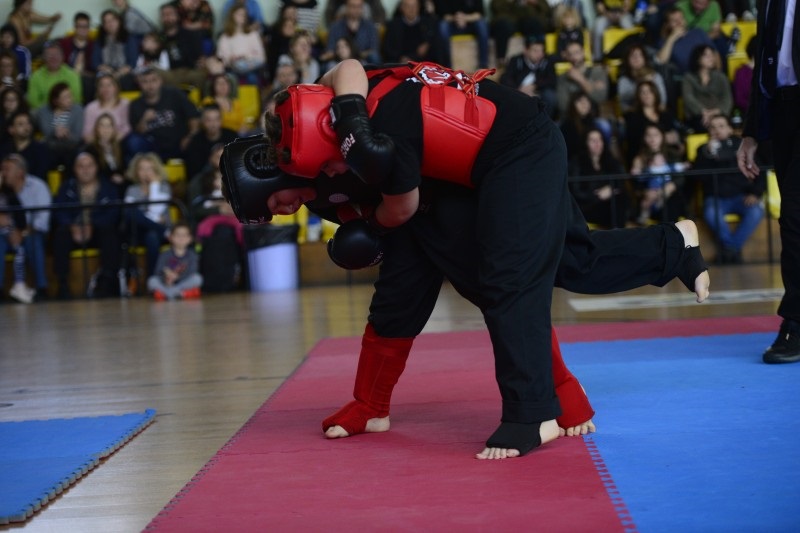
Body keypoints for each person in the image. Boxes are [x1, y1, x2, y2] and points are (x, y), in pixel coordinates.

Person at [258, 59, 711, 458]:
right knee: (572, 261)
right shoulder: (332, 104)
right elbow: (347, 67)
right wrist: (352, 113)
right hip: (468, 173)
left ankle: (533, 413)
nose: (333, 173)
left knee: (509, 279)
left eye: (331, 165)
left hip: (518, 149)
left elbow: (401, 208)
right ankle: (673, 245)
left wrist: (368, 228)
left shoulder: (379, 139)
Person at [736, 0, 800, 364]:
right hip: (784, 111)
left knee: (794, 216)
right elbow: (765, 63)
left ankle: (795, 320)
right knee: (792, 220)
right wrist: (751, 134)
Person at [694, 114, 764, 264]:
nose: (717, 130)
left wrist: (755, 193)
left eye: (721, 126)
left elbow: (760, 170)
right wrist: (707, 153)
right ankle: (733, 251)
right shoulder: (702, 150)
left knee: (756, 210)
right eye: (713, 127)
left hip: (741, 196)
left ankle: (728, 250)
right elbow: (697, 177)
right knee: (711, 212)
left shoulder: (741, 145)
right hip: (715, 198)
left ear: (730, 128)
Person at [51, 152, 122, 299]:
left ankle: (107, 282)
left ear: (96, 167)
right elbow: (58, 211)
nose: (86, 170)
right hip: (74, 230)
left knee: (110, 234)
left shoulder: (108, 186)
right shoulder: (67, 187)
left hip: (98, 230)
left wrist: (92, 225)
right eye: (81, 166)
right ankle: (63, 284)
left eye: (90, 165)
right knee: (60, 234)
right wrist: (72, 226)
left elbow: (113, 213)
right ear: (75, 169)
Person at [0, 153, 50, 299]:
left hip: (30, 232)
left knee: (34, 241)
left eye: (7, 169)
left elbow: (42, 221)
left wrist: (22, 233)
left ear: (20, 172)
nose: (3, 173)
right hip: (4, 234)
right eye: (2, 169)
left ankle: (42, 288)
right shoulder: (2, 188)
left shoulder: (38, 186)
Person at [126, 66, 200, 160]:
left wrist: (190, 136)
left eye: (154, 80)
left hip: (180, 142)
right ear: (139, 84)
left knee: (197, 142)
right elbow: (138, 133)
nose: (150, 85)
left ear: (160, 81)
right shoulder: (136, 104)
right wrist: (144, 120)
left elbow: (193, 115)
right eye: (145, 82)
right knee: (133, 142)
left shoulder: (174, 94)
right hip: (153, 148)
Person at [568, 127, 631, 228]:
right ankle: (616, 234)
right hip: (587, 207)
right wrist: (598, 196)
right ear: (585, 143)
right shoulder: (577, 162)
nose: (597, 143)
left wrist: (610, 189)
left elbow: (620, 181)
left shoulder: (609, 160)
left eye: (599, 139)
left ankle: (617, 233)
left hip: (609, 204)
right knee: (614, 206)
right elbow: (576, 191)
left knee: (619, 200)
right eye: (592, 140)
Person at [124, 151, 172, 276]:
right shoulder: (131, 190)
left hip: (156, 234)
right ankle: (164, 231)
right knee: (132, 212)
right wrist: (155, 220)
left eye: (149, 169)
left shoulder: (163, 187)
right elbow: (131, 215)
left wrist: (155, 185)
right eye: (142, 169)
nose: (146, 173)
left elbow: (155, 209)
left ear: (156, 170)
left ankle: (153, 277)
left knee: (152, 236)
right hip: (137, 232)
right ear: (136, 171)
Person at [630, 124, 688, 224]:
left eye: (656, 135)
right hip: (650, 200)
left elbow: (680, 177)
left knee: (673, 202)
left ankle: (669, 237)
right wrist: (645, 192)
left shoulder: (672, 153)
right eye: (649, 135)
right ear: (644, 138)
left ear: (662, 137)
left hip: (670, 196)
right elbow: (636, 185)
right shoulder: (639, 158)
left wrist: (670, 187)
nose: (652, 139)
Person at [622, 79, 682, 168]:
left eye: (650, 91)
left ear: (655, 94)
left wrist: (676, 139)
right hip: (644, 156)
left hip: (666, 154)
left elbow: (674, 134)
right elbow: (633, 140)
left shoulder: (665, 114)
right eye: (643, 92)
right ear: (638, 96)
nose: (647, 95)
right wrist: (663, 138)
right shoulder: (632, 116)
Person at [499, 33, 557, 116]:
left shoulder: (547, 61)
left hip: (539, 93)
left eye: (542, 50)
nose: (540, 54)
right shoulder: (516, 60)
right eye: (535, 50)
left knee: (550, 95)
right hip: (518, 93)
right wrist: (518, 89)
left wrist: (535, 86)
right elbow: (505, 78)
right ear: (526, 51)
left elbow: (552, 80)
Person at [0, 168, 35, 303]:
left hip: (8, 231)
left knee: (20, 249)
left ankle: (19, 284)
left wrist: (18, 230)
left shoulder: (8, 192)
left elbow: (19, 215)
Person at [33, 82, 85, 170]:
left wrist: (66, 134)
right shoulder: (44, 111)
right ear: (56, 100)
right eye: (66, 97)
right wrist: (55, 132)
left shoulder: (78, 110)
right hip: (49, 149)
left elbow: (77, 137)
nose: (70, 99)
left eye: (70, 95)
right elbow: (46, 131)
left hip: (71, 148)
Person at [681, 43, 732, 132]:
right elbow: (688, 98)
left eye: (712, 55)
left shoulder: (721, 77)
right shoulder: (688, 78)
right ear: (697, 58)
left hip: (719, 113)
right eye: (706, 55)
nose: (711, 58)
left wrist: (714, 112)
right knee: (703, 125)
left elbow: (727, 98)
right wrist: (703, 112)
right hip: (697, 116)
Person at [147, 221, 203, 300]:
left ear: (190, 239)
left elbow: (192, 271)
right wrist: (167, 276)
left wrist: (177, 277)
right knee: (152, 281)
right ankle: (178, 294)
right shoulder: (164, 254)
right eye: (178, 235)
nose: (181, 238)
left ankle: (168, 294)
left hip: (182, 282)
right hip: (167, 283)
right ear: (171, 237)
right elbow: (158, 271)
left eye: (184, 235)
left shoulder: (192, 255)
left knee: (197, 278)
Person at [181, 104, 237, 180]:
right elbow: (193, 174)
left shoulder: (232, 136)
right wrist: (211, 162)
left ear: (221, 120)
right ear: (202, 121)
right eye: (209, 120)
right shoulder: (195, 142)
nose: (213, 124)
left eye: (217, 119)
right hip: (206, 182)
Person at [555, 40, 610, 118]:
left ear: (583, 52)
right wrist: (592, 86)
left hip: (594, 117)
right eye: (570, 54)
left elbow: (600, 98)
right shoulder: (562, 77)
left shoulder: (598, 72)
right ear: (566, 57)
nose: (574, 57)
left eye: (576, 52)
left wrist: (580, 79)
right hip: (571, 118)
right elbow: (563, 105)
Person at [215, 4, 266, 86]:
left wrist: (246, 57)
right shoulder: (225, 37)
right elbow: (221, 57)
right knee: (229, 78)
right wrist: (231, 59)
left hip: (250, 67)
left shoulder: (253, 34)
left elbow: (261, 58)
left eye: (244, 15)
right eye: (239, 14)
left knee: (251, 78)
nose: (242, 17)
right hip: (232, 68)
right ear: (232, 16)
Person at [489, 0, 552, 66]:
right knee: (502, 25)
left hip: (529, 18)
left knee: (535, 24)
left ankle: (541, 59)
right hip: (509, 19)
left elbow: (547, 9)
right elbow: (495, 7)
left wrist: (535, 2)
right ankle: (501, 62)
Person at [321, 0, 382, 65]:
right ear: (346, 7)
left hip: (363, 60)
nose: (356, 10)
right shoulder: (335, 27)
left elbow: (374, 49)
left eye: (359, 6)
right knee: (329, 64)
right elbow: (330, 49)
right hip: (340, 61)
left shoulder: (370, 26)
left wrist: (356, 55)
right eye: (353, 6)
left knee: (374, 57)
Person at [25, 41, 82, 110]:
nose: (53, 58)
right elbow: (33, 102)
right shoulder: (35, 77)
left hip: (68, 113)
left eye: (56, 54)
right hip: (43, 115)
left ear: (62, 57)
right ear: (44, 58)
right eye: (49, 55)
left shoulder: (72, 75)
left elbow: (76, 99)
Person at [92, 9, 139, 92]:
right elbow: (95, 62)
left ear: (119, 21)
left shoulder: (129, 38)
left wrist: (118, 74)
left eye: (112, 20)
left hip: (124, 72)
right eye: (106, 22)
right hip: (105, 71)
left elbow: (132, 62)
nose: (109, 24)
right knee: (99, 82)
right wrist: (107, 71)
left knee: (126, 81)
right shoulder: (99, 40)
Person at [382, 0, 441, 65]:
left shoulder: (428, 23)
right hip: (399, 63)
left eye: (414, 6)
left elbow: (434, 47)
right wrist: (400, 58)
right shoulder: (393, 25)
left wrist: (427, 44)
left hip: (423, 64)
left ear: (419, 7)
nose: (411, 9)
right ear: (402, 8)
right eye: (408, 6)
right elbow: (388, 48)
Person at [434, 0, 490, 69]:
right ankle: (447, 66)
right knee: (442, 26)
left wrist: (465, 18)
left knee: (482, 25)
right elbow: (442, 15)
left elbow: (479, 14)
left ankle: (483, 64)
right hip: (452, 24)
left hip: (470, 23)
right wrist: (456, 18)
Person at [0, 110, 50, 185]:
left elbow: (40, 176)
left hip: (32, 188)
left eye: (28, 123)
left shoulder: (41, 149)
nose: (26, 127)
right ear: (11, 130)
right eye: (21, 124)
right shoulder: (4, 149)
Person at [85, 113, 128, 197]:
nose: (106, 129)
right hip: (103, 185)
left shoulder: (121, 146)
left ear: (113, 129)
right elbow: (94, 172)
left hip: (121, 184)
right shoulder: (90, 149)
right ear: (97, 129)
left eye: (109, 126)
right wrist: (111, 178)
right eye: (102, 126)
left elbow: (125, 168)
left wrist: (123, 177)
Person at [616, 42, 667, 113]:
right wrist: (642, 83)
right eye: (632, 56)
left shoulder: (655, 76)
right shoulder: (624, 80)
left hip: (655, 112)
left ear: (644, 58)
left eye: (640, 55)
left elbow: (662, 101)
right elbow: (623, 104)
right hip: (633, 114)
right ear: (627, 60)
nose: (636, 58)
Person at [82, 73, 131, 145]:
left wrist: (113, 142)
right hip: (97, 145)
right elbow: (86, 133)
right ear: (97, 89)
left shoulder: (125, 104)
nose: (106, 89)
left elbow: (127, 128)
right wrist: (100, 144)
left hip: (120, 143)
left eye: (109, 85)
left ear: (116, 87)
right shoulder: (91, 108)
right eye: (102, 86)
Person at [59, 12, 96, 103]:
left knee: (88, 82)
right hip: (66, 75)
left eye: (86, 26)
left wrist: (83, 73)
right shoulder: (64, 43)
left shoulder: (93, 45)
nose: (83, 30)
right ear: (75, 27)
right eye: (80, 26)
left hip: (86, 78)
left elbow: (95, 67)